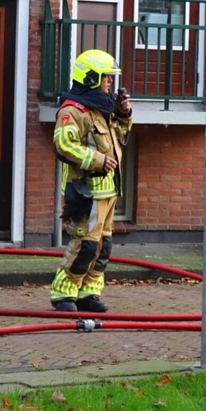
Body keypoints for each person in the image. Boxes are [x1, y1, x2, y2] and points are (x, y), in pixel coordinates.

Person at [49, 49, 132, 313]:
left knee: (103, 246)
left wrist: (123, 114)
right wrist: (97, 160)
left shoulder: (102, 109)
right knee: (85, 244)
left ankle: (89, 292)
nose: (110, 82)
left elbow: (118, 136)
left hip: (108, 192)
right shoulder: (73, 110)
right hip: (85, 193)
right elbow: (63, 144)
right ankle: (63, 293)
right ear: (90, 78)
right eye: (106, 77)